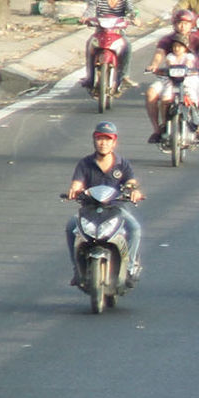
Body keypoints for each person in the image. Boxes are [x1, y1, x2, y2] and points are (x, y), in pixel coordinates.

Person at [64, 122, 144, 285]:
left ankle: (129, 269)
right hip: (89, 210)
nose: (103, 143)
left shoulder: (123, 164)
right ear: (94, 140)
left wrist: (133, 191)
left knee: (135, 229)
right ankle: (77, 269)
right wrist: (74, 190)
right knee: (70, 227)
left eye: (108, 139)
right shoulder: (85, 163)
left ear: (114, 142)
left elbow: (131, 182)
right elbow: (77, 183)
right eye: (100, 139)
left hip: (116, 209)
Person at [144, 9, 199, 144]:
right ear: (174, 24)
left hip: (191, 77)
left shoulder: (196, 39)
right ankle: (157, 130)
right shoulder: (167, 40)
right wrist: (154, 65)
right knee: (150, 93)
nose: (182, 26)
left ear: (192, 25)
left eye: (186, 23)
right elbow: (159, 53)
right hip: (168, 78)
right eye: (179, 23)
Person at [81, 0, 136, 90]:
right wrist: (85, 17)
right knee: (89, 45)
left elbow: (131, 11)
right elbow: (90, 9)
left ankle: (124, 76)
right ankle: (90, 76)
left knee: (128, 46)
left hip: (118, 33)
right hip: (100, 33)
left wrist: (134, 18)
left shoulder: (124, 0)